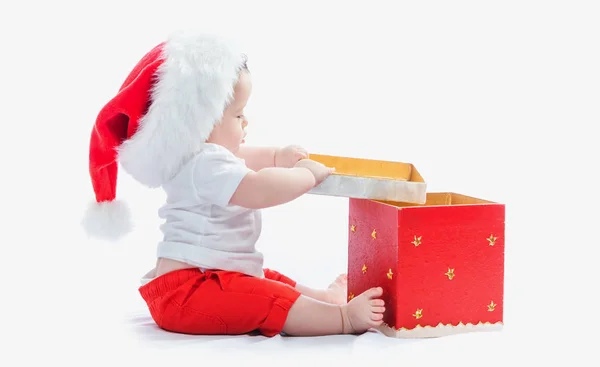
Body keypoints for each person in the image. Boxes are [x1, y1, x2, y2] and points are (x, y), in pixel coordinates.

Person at [82, 30, 385, 337]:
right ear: (200, 123)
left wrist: (278, 156)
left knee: (265, 279)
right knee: (266, 298)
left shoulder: (199, 158)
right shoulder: (205, 163)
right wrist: (305, 176)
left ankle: (323, 301)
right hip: (191, 291)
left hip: (199, 281)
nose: (246, 122)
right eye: (238, 114)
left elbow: (243, 156)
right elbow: (257, 189)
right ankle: (344, 319)